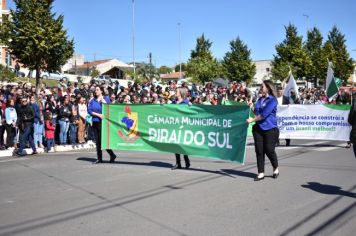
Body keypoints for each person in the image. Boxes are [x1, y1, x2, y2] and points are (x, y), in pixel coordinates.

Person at [247, 80, 279, 181]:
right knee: (259, 151)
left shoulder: (273, 100)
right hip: (258, 129)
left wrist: (252, 120)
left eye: (262, 86)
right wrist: (251, 106)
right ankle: (261, 172)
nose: (261, 88)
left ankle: (275, 167)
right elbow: (257, 112)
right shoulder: (260, 99)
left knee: (269, 150)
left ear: (268, 88)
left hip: (270, 129)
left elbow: (264, 115)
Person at [88, 86, 117, 164]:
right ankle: (99, 158)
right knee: (97, 142)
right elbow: (89, 110)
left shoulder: (106, 98)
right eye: (95, 90)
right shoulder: (92, 100)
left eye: (97, 90)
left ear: (101, 91)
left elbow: (109, 108)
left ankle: (112, 154)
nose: (95, 91)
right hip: (95, 121)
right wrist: (98, 115)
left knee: (103, 141)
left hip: (103, 123)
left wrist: (103, 101)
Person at [171, 87, 191, 170]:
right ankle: (178, 163)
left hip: (183, 125)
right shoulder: (174, 102)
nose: (176, 93)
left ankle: (186, 159)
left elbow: (191, 110)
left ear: (181, 93)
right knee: (176, 144)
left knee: (182, 144)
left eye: (177, 92)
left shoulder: (186, 102)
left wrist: (190, 105)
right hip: (175, 125)